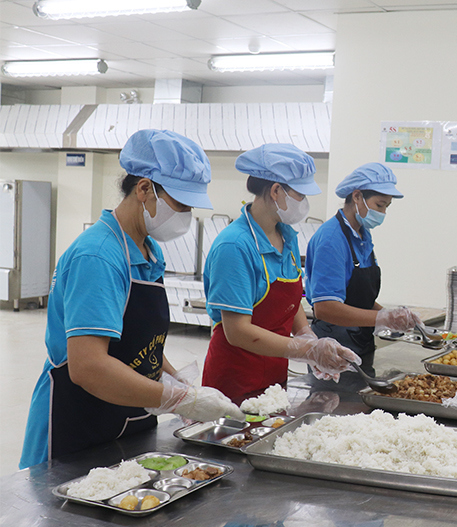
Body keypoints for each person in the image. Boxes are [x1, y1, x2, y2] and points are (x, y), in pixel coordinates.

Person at [20, 129, 243, 469]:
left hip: (128, 416)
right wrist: (180, 400)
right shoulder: (98, 257)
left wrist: (177, 381)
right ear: (144, 189)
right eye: (180, 204)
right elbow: (89, 366)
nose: (185, 215)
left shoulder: (146, 251)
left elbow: (138, 342)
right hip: (79, 423)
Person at [202, 144, 358, 404]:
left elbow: (291, 298)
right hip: (234, 379)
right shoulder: (235, 246)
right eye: (300, 195)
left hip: (274, 376)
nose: (305, 204)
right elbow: (238, 332)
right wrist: (306, 350)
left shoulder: (287, 236)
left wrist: (306, 335)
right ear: (276, 191)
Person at [305, 163, 421, 360]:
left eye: (387, 206)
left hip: (361, 340)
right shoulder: (331, 239)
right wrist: (383, 318)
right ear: (357, 196)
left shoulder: (362, 235)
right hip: (334, 345)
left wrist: (391, 315)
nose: (383, 213)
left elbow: (358, 297)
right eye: (379, 205)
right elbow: (325, 307)